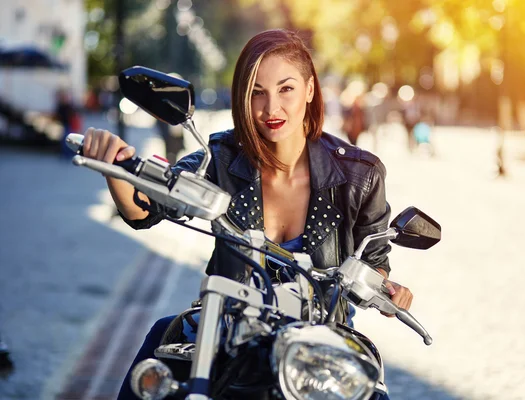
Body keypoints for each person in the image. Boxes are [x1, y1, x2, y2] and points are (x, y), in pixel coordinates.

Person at [81, 29, 413, 400]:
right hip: (227, 330)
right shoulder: (222, 157)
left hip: (320, 338)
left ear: (309, 90)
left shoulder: (359, 174)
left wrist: (387, 291)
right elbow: (146, 208)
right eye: (257, 92)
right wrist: (116, 166)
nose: (271, 109)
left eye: (286, 89)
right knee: (158, 354)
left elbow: (374, 262)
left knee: (371, 389)